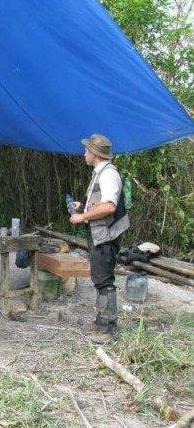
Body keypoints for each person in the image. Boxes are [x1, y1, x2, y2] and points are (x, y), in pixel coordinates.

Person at [69, 134, 130, 343]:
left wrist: (82, 216)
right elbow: (100, 201)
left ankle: (109, 330)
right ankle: (101, 320)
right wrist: (83, 205)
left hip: (106, 235)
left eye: (87, 150)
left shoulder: (108, 174)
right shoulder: (100, 172)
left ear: (95, 154)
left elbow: (109, 207)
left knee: (104, 281)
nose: (84, 153)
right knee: (99, 278)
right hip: (99, 233)